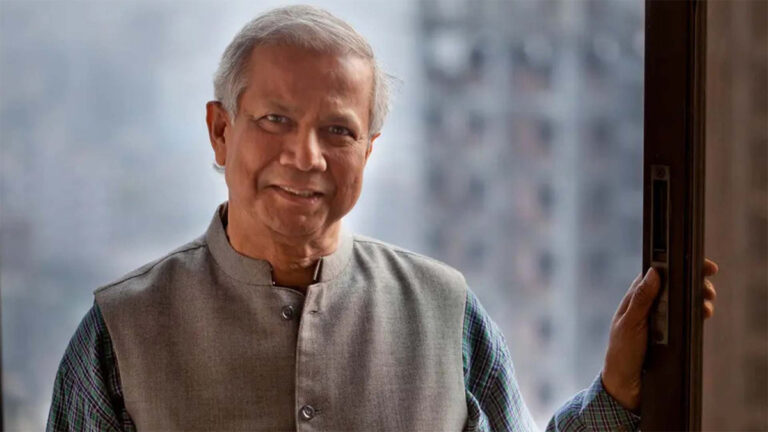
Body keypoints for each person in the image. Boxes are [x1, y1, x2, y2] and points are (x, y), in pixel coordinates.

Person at [47, 5, 719, 431]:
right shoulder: (120, 333)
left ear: (367, 152)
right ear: (220, 131)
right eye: (275, 119)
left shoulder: (447, 313)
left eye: (337, 131)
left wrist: (619, 388)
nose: (306, 157)